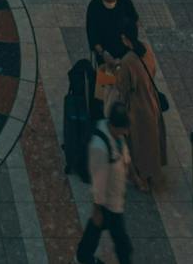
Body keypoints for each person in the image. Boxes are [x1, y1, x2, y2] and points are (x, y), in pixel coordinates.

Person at [76, 101, 132, 263]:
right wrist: (97, 209)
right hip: (108, 202)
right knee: (122, 243)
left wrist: (132, 174)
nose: (127, 132)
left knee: (96, 230)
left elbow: (123, 155)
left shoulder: (117, 136)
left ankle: (84, 256)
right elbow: (98, 182)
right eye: (125, 128)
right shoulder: (99, 147)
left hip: (115, 198)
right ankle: (84, 256)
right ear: (116, 126)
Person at [113, 42, 163, 192]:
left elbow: (122, 86)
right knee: (150, 142)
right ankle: (149, 175)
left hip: (137, 108)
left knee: (136, 143)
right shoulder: (147, 49)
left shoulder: (128, 61)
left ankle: (140, 178)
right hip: (151, 102)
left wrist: (115, 69)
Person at [85, 0, 140, 69]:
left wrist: (130, 40)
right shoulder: (94, 7)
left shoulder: (123, 0)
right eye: (108, 0)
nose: (111, 3)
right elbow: (92, 36)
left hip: (125, 50)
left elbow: (135, 19)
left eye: (114, 0)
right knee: (108, 81)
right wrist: (103, 54)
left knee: (126, 79)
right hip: (105, 53)